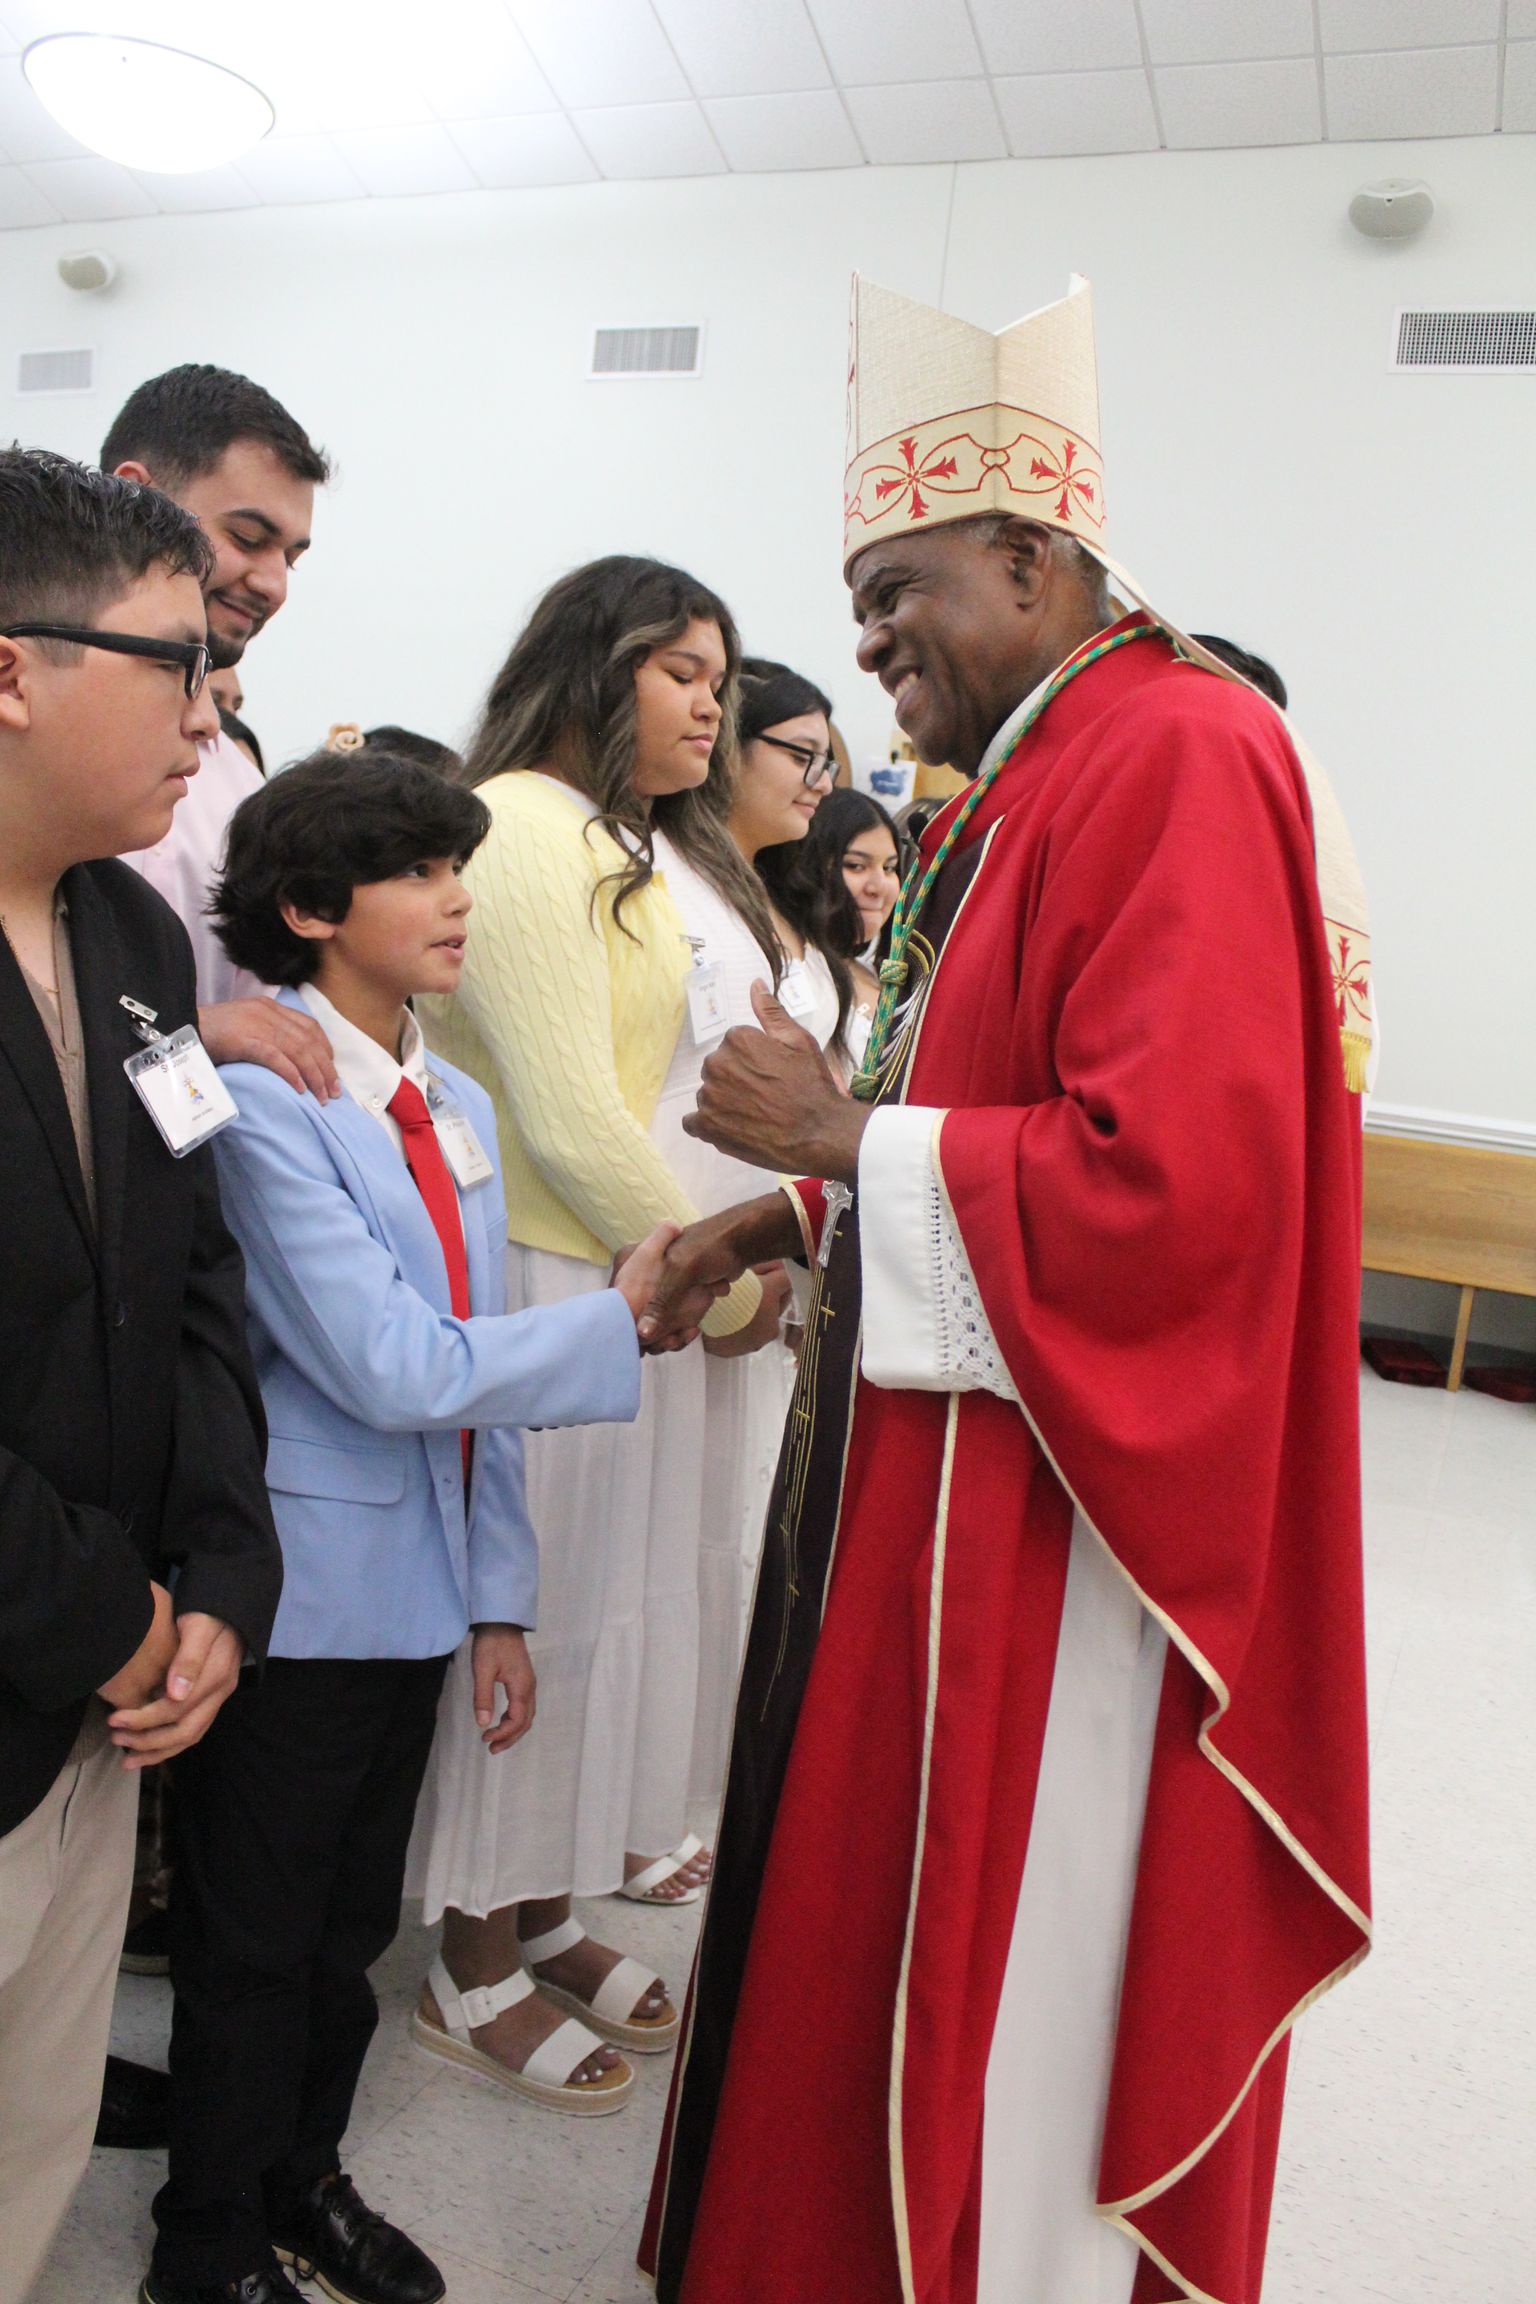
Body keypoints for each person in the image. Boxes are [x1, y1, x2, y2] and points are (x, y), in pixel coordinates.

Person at [636, 277, 1373, 2304]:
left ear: (1035, 558)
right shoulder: (1035, 777)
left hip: (1059, 1537)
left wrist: (833, 1142)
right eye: (859, 612)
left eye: (898, 598)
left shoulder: (1181, 748)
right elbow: (978, 1102)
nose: (872, 654)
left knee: (1011, 1993)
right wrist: (776, 1219)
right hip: (942, 1464)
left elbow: (1180, 1190)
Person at [143, 749, 675, 2304]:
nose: (457, 902)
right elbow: (392, 1369)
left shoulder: (449, 1100)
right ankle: (206, 2241)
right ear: (312, 909)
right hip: (300, 1593)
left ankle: (304, 2180)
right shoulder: (261, 1100)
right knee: (254, 1946)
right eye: (419, 873)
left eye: (459, 868)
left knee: (344, 1937)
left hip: (421, 1590)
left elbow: (474, 1371)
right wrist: (622, 1323)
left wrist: (497, 1600)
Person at [406, 556, 768, 2108]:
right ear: (594, 666)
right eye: (682, 672)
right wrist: (727, 1283)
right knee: (540, 1618)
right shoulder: (516, 826)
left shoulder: (614, 837)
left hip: (631, 1282)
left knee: (614, 1607)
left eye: (720, 682)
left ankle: (546, 1903)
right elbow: (567, 1114)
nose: (709, 708)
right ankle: (470, 1957)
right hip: (556, 1279)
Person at [0, 447, 283, 2304]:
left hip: (112, 1695)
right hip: (60, 1633)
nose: (210, 710)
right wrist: (105, 1614)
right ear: (13, 668)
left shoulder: (127, 934)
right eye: (176, 661)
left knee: (32, 2132)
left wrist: (223, 1571)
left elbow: (193, 1274)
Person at [648, 655, 845, 1806]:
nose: (820, 779)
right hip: (678, 1216)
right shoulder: (670, 887)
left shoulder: (769, 900)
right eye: (801, 753)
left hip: (767, 1229)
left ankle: (683, 1787)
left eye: (830, 760)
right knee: (660, 1530)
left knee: (728, 1524)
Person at [105, 362, 338, 1097]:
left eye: (291, 557)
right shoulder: (37, 744)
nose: (274, 584)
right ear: (137, 497)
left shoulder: (239, 784)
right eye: (247, 537)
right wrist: (192, 1029)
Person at [761, 784, 903, 1074]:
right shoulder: (782, 964)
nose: (878, 887)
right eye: (856, 865)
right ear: (809, 865)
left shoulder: (880, 976)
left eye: (889, 868)